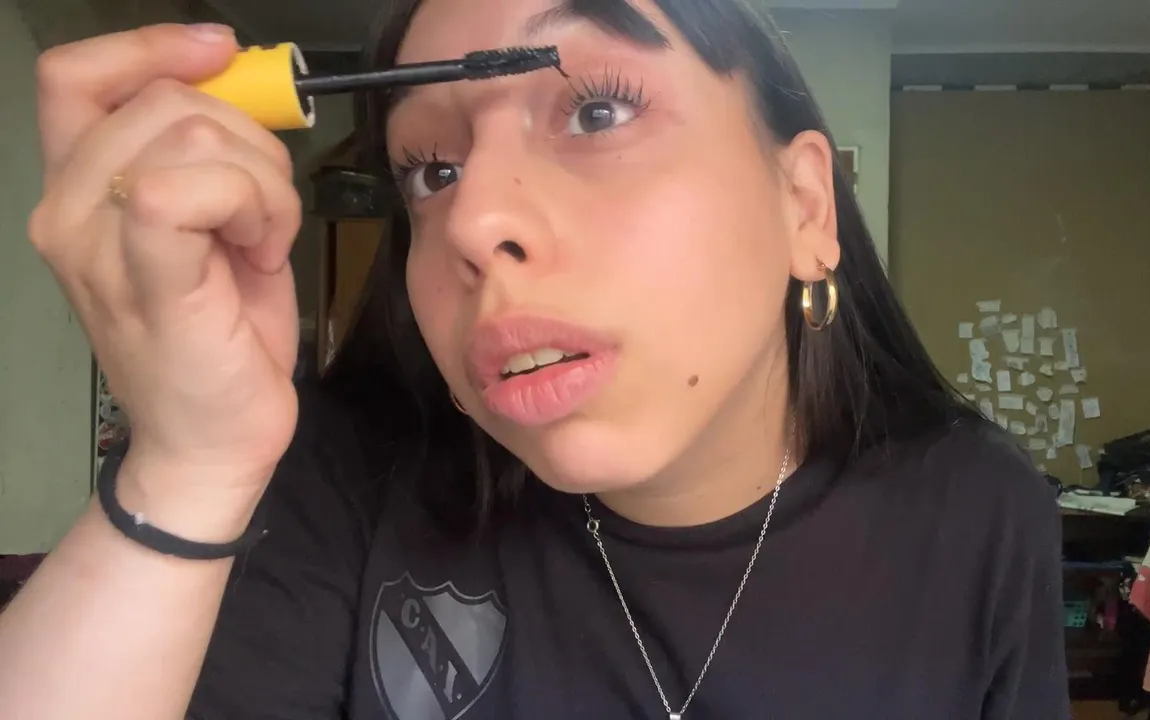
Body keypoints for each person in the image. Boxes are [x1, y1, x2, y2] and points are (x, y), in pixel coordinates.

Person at [0, 0, 1069, 718]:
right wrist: (191, 460)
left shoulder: (976, 511)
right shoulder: (337, 484)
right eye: (430, 172)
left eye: (597, 111)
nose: (473, 221)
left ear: (803, 207)